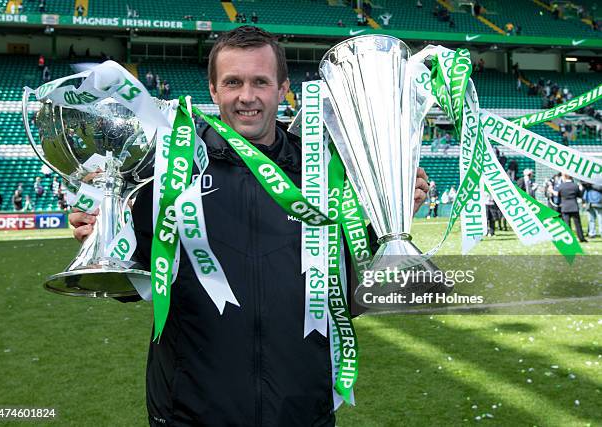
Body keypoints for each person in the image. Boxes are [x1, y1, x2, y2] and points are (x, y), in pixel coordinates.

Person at [69, 26, 430, 426]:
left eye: (261, 81)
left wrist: (388, 225)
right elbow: (134, 278)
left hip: (301, 413)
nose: (246, 96)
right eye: (233, 82)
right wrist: (104, 237)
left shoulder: (327, 174)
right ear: (213, 90)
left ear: (283, 88)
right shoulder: (171, 167)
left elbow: (348, 295)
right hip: (192, 414)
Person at [554, 173, 586, 242]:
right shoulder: (575, 186)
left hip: (565, 207)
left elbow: (558, 196)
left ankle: (569, 238)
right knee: (578, 224)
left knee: (567, 224)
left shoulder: (561, 186)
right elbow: (580, 195)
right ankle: (581, 238)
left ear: (564, 178)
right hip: (574, 206)